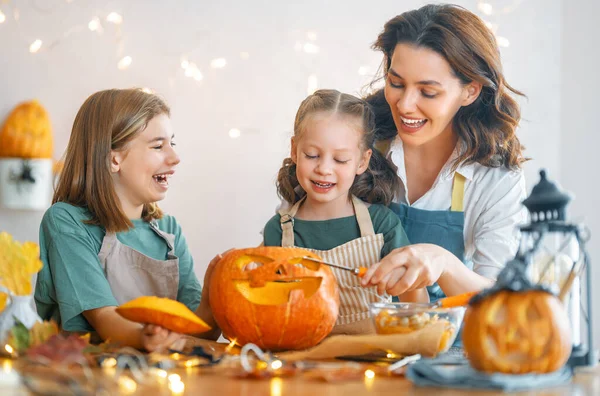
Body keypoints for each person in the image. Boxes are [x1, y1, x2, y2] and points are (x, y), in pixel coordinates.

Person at [360, 4, 528, 303]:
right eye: (396, 83)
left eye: (428, 92)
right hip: (358, 342)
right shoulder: (357, 142)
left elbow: (503, 303)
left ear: (470, 91)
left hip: (451, 346)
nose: (405, 105)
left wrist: (443, 263)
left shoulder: (495, 178)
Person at [34, 88, 220, 352]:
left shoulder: (169, 231)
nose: (174, 157)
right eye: (158, 146)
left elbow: (198, 329)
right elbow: (103, 317)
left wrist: (216, 297)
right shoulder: (67, 222)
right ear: (114, 159)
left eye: (172, 143)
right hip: (85, 380)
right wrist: (147, 337)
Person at [263, 89, 418, 335]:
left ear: (361, 162)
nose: (324, 169)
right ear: (294, 150)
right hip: (302, 364)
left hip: (372, 362)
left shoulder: (381, 224)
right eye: (312, 155)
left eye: (340, 160)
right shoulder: (278, 232)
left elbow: (416, 303)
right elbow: (266, 309)